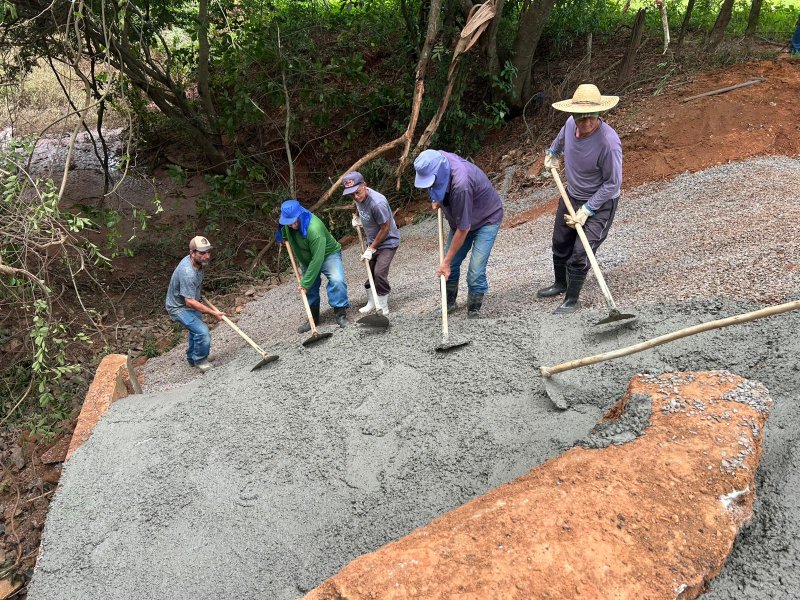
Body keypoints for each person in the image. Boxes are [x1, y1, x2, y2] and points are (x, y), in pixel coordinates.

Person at [537, 83, 622, 315]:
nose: (585, 122)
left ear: (599, 113)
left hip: (600, 203)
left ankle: (572, 300)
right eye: (580, 117)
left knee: (581, 251)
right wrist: (552, 153)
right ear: (573, 114)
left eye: (590, 117)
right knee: (560, 242)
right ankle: (560, 284)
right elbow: (560, 140)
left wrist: (587, 209)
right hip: (572, 194)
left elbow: (613, 183)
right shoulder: (569, 124)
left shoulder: (608, 143)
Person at [413, 149, 504, 317]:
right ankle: (449, 303)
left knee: (475, 270)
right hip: (462, 219)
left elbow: (463, 229)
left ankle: (474, 310)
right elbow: (432, 184)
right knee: (452, 264)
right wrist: (436, 198)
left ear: (440, 171)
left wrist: (446, 262)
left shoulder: (462, 185)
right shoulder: (435, 158)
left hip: (486, 219)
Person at [276, 199, 350, 330]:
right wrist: (282, 235)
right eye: (289, 222)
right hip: (306, 259)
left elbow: (317, 259)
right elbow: (283, 231)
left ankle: (340, 313)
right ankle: (313, 318)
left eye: (294, 221)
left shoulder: (314, 228)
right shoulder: (288, 225)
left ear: (300, 214)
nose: (292, 225)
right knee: (310, 288)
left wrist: (305, 283)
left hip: (327, 255)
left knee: (337, 280)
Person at [342, 171, 400, 315]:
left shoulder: (377, 203)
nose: (355, 197)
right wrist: (357, 218)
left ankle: (383, 306)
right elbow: (359, 206)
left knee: (379, 273)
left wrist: (372, 248)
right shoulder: (358, 197)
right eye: (352, 194)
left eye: (357, 192)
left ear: (364, 186)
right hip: (372, 241)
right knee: (371, 272)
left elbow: (385, 228)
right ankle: (372, 302)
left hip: (387, 242)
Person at [165, 236, 225, 372]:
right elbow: (189, 301)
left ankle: (193, 358)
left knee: (195, 331)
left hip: (190, 301)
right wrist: (213, 312)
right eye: (202, 253)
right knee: (202, 332)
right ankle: (201, 361)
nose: (207, 256)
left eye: (208, 252)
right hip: (178, 307)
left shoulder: (198, 263)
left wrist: (197, 295)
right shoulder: (188, 272)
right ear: (192, 253)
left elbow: (193, 288)